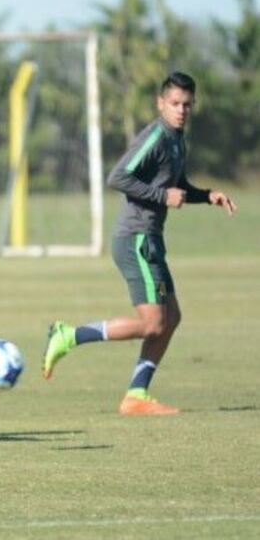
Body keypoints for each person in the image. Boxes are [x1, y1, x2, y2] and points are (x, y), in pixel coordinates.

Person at [43, 71, 237, 415]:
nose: (181, 110)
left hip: (150, 239)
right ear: (161, 103)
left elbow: (177, 188)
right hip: (135, 239)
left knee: (171, 317)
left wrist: (208, 196)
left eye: (187, 105)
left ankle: (136, 395)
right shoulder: (156, 138)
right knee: (152, 323)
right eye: (175, 104)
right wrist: (162, 195)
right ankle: (69, 336)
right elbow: (117, 177)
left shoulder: (178, 139)